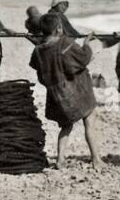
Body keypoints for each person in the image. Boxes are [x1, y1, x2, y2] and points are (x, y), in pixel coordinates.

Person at [30, 13, 102, 171]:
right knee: (89, 120)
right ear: (58, 29)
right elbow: (83, 59)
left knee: (66, 126)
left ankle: (60, 159)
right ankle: (96, 159)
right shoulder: (66, 44)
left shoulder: (38, 50)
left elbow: (37, 65)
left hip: (55, 95)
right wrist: (87, 42)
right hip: (75, 91)